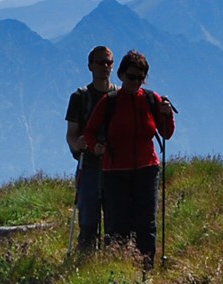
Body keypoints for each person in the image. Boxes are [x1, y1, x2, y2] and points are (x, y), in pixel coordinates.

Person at [80, 49, 175, 268]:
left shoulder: (152, 99)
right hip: (116, 173)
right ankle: (119, 267)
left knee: (146, 223)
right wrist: (97, 148)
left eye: (140, 78)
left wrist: (167, 115)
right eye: (132, 77)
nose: (136, 82)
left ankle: (145, 270)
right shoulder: (109, 102)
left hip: (146, 170)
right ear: (121, 75)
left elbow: (166, 133)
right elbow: (90, 132)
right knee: (117, 224)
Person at [65, 46, 119, 252]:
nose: (105, 67)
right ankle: (87, 259)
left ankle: (105, 261)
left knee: (115, 220)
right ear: (90, 66)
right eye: (101, 62)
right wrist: (76, 145)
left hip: (115, 167)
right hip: (90, 166)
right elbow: (71, 134)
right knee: (88, 221)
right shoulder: (80, 97)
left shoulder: (120, 96)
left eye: (109, 63)